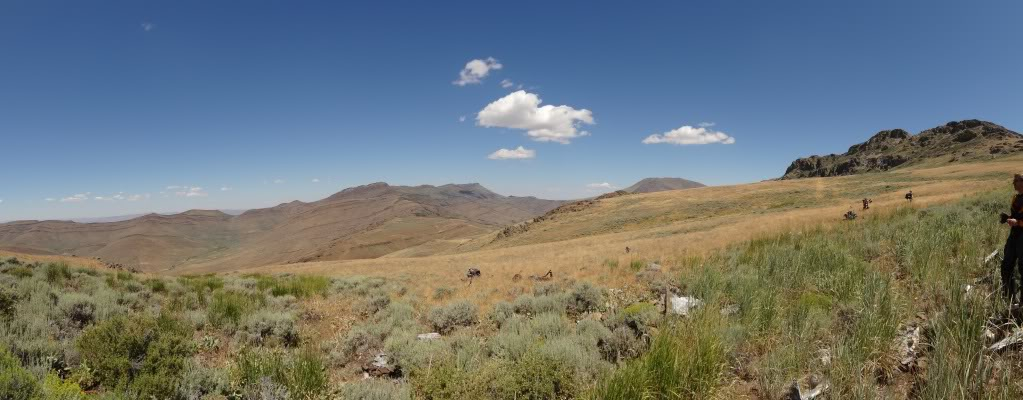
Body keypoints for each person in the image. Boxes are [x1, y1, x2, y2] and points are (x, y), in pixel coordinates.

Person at [1000, 173, 1023, 302]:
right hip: (1014, 235)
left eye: (1016, 181)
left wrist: (1018, 223)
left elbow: (1019, 220)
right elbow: (1016, 216)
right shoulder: (1015, 197)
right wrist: (1007, 218)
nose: (1014, 183)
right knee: (1006, 265)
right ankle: (1010, 299)